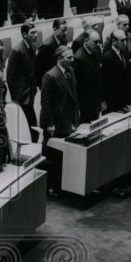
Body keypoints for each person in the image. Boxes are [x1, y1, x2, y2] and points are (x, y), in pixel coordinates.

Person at [40, 46, 80, 197]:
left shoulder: (70, 72)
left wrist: (75, 118)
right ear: (59, 58)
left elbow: (73, 97)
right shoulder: (50, 76)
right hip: (55, 122)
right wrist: (50, 124)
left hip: (68, 119)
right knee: (52, 157)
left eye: (72, 57)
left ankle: (61, 183)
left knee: (64, 154)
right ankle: (50, 186)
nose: (72, 60)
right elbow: (46, 103)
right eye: (69, 58)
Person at [7, 23, 40, 138]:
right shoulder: (17, 50)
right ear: (24, 34)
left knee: (31, 121)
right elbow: (10, 77)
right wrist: (15, 98)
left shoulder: (33, 46)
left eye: (36, 32)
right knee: (28, 122)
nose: (35, 35)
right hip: (21, 95)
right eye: (32, 33)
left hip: (30, 92)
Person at [73, 30, 104, 123]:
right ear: (86, 40)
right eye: (95, 42)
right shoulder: (78, 58)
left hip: (96, 97)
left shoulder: (97, 51)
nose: (98, 44)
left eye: (99, 42)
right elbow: (78, 83)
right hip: (85, 100)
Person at [102, 29, 131, 113]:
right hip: (114, 100)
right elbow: (108, 83)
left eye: (125, 40)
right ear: (114, 41)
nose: (125, 43)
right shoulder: (107, 58)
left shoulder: (124, 52)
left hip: (125, 97)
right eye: (122, 40)